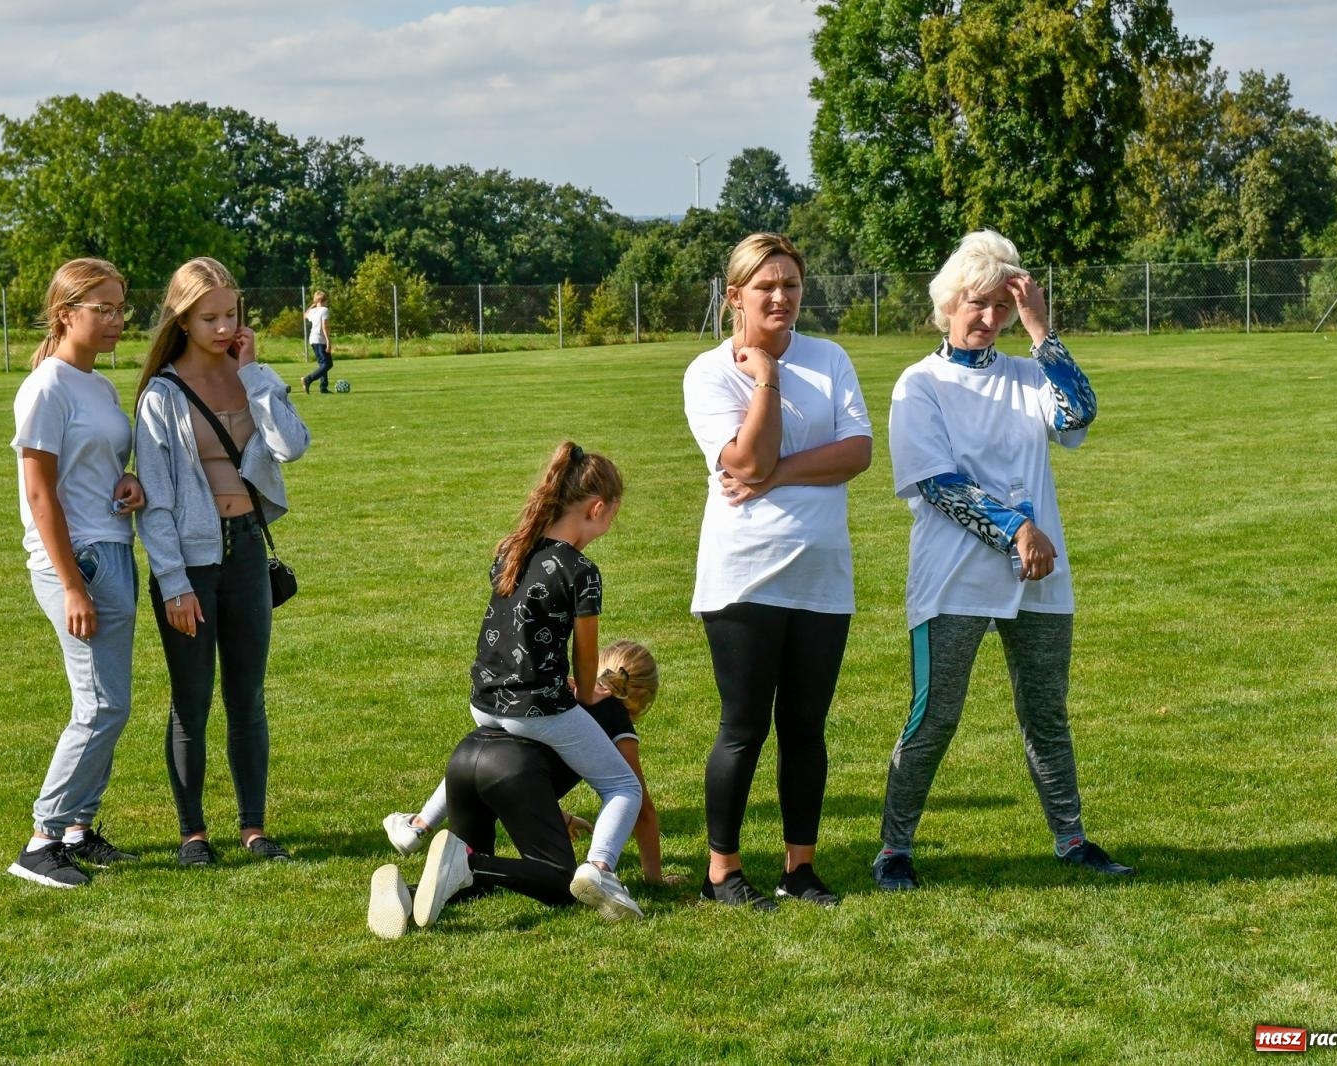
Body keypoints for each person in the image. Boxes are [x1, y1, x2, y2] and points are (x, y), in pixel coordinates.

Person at [875, 229, 1133, 892]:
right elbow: (937, 483)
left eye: (1000, 305)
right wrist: (1017, 529)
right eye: (976, 304)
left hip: (1042, 578)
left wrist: (1041, 330)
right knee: (935, 717)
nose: (988, 319)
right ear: (947, 304)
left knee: (1046, 712)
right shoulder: (920, 384)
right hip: (954, 579)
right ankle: (894, 850)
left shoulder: (1026, 374)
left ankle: (1071, 840)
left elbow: (1081, 411)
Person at [682, 232, 873, 911]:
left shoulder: (831, 358)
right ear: (735, 296)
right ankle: (721, 872)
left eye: (791, 284)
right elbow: (742, 461)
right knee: (743, 726)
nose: (783, 297)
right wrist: (764, 374)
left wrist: (780, 472)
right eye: (767, 287)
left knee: (805, 728)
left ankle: (800, 868)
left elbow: (858, 452)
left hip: (822, 576)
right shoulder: (709, 374)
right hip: (744, 579)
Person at [385, 442, 644, 919]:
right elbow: (585, 658)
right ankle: (600, 869)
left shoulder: (510, 548)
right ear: (598, 508)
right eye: (613, 517)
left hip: (483, 703)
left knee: (507, 747)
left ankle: (419, 829)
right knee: (623, 787)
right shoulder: (581, 571)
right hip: (535, 711)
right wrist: (587, 695)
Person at [134, 257, 311, 866]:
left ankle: (254, 829)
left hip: (246, 553)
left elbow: (292, 446)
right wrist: (174, 583)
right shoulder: (161, 395)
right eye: (207, 317)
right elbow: (153, 504)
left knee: (248, 696)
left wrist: (255, 372)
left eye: (230, 314)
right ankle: (192, 835)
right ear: (181, 320)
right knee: (191, 700)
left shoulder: (251, 377)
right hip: (188, 564)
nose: (221, 326)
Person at [369, 641, 675, 938]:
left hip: (465, 758)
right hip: (510, 772)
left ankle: (406, 896)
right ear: (643, 697)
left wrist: (559, 817)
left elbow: (536, 753)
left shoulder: (564, 689)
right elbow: (640, 807)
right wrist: (655, 879)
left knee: (475, 885)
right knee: (561, 882)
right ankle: (467, 861)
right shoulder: (615, 717)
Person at [6, 258, 145, 889]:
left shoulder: (99, 385)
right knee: (99, 705)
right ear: (66, 314)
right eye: (104, 309)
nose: (117, 320)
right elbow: (40, 497)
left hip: (113, 548)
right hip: (79, 560)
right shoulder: (46, 388)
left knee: (110, 703)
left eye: (121, 308)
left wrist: (127, 481)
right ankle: (41, 840)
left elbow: (94, 469)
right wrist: (70, 584)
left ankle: (76, 831)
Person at [301, 290, 333, 395]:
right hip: (320, 339)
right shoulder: (324, 310)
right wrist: (328, 341)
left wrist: (312, 306)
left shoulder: (313, 311)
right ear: (325, 300)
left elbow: (304, 316)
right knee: (328, 364)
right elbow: (325, 326)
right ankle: (308, 379)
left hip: (312, 339)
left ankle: (323, 387)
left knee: (322, 364)